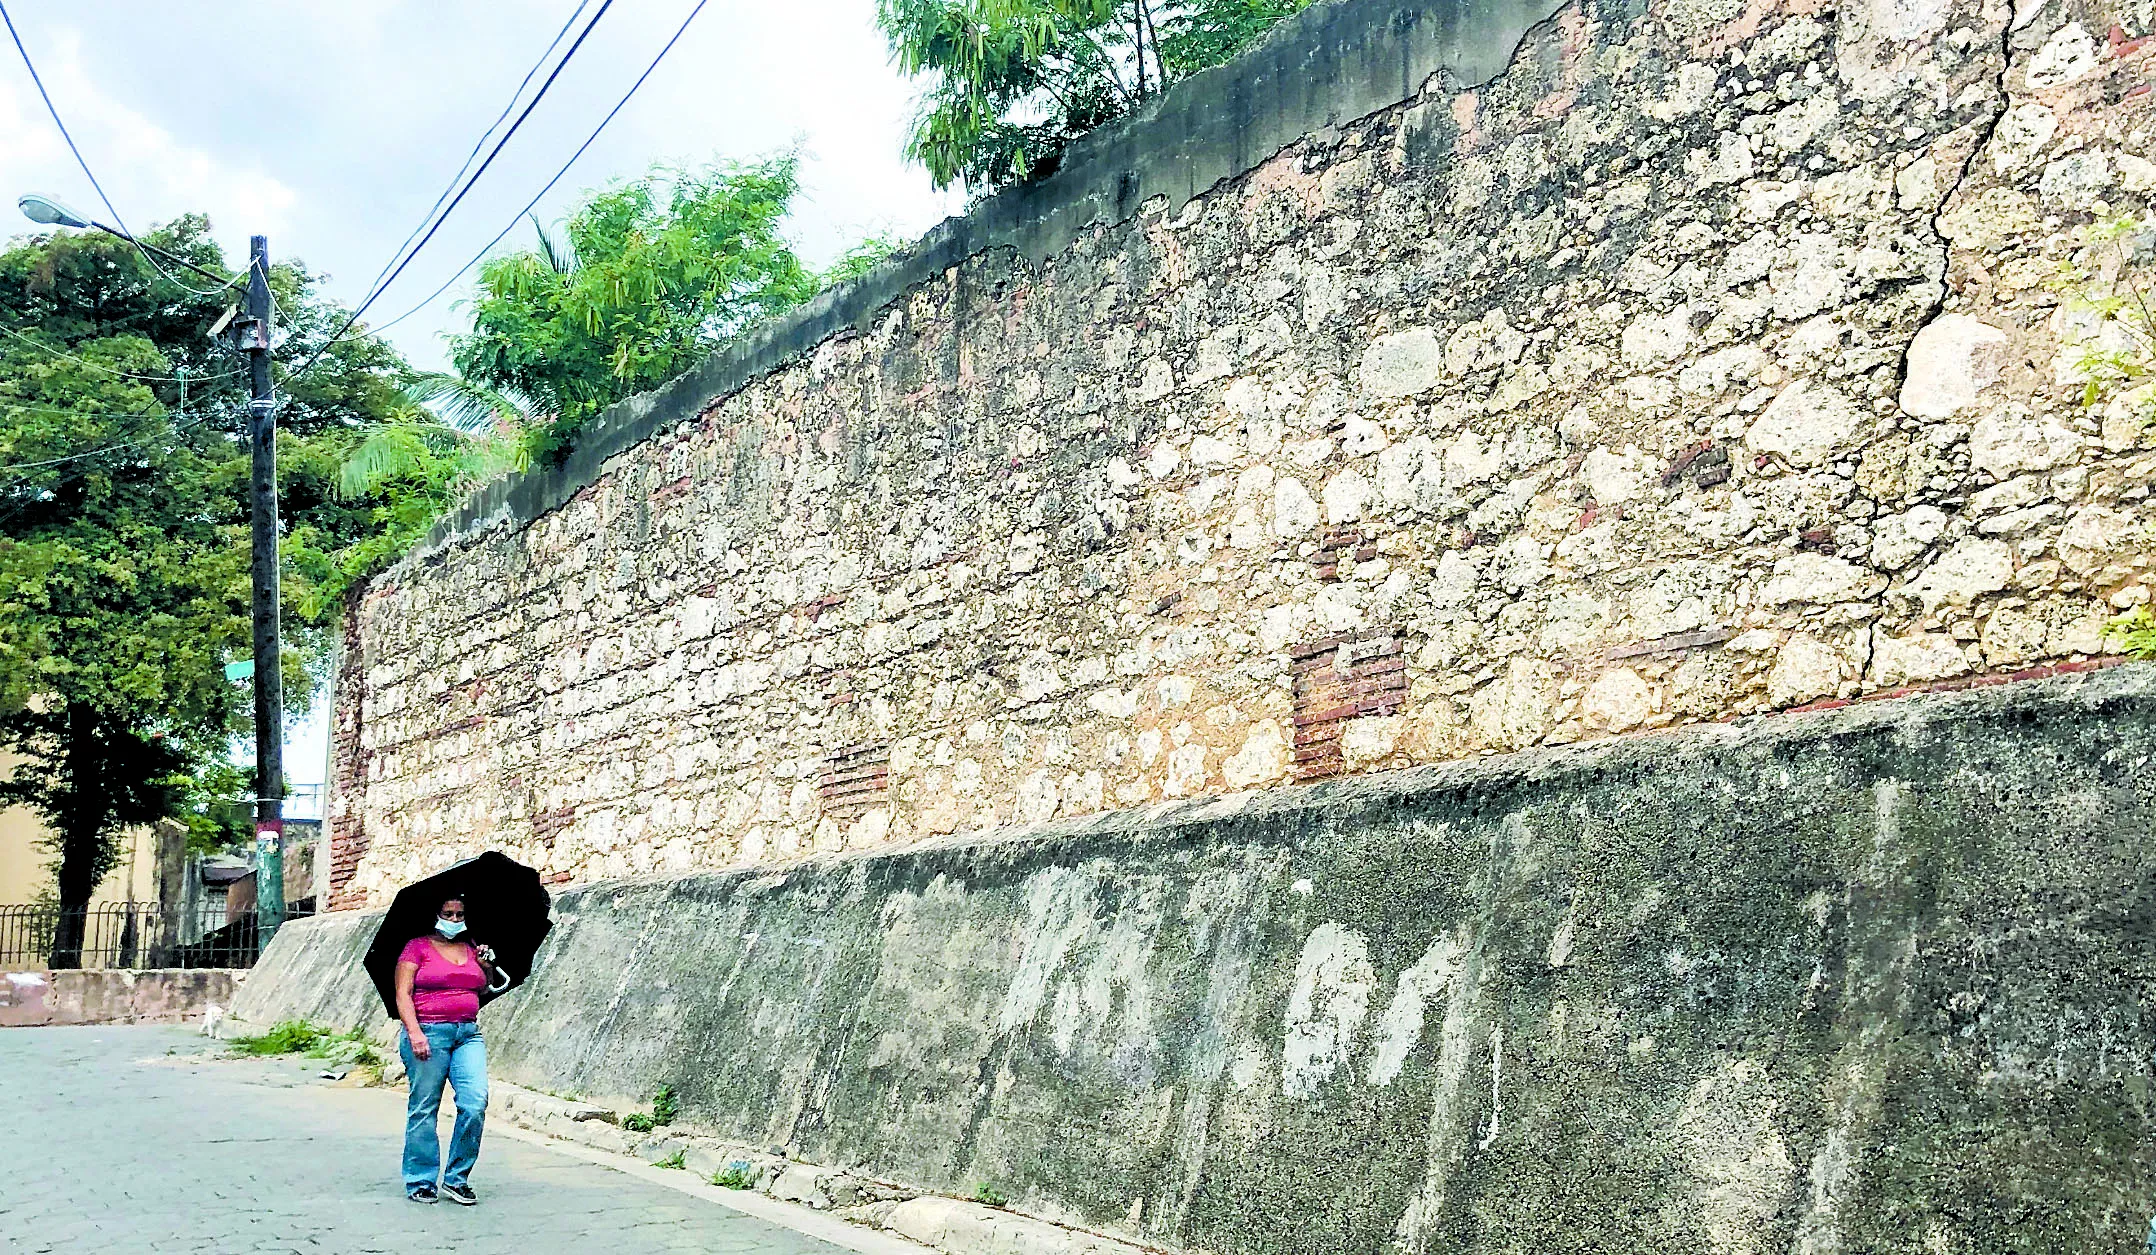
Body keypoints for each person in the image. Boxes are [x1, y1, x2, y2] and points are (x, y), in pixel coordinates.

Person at [393, 895, 498, 1205]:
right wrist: (415, 1032)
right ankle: (421, 1179)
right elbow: (403, 993)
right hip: (429, 1032)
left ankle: (457, 1178)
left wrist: (486, 966)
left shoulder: (471, 948)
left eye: (459, 914)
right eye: (448, 914)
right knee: (425, 1107)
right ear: (435, 915)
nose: (454, 920)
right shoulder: (417, 947)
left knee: (475, 1102)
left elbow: (483, 987)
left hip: (467, 1033)